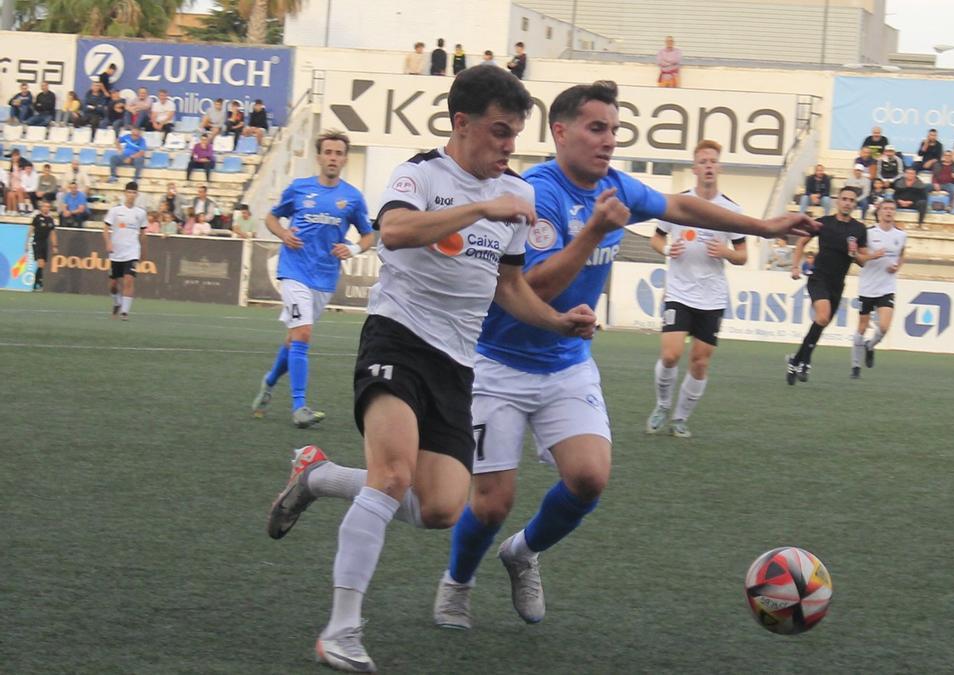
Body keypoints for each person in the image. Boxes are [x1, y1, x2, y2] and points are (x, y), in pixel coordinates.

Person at [262, 80, 812, 641]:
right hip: (488, 361)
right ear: (562, 131)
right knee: (479, 499)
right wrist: (587, 234)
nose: (609, 141)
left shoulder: (594, 188)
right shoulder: (527, 193)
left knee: (580, 479)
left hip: (557, 361)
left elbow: (675, 206)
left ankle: (521, 554)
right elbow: (529, 283)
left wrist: (765, 227)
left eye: (614, 130)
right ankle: (437, 588)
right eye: (597, 128)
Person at [269, 67, 599, 672]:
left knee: (441, 508)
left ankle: (315, 477)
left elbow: (508, 286)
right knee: (391, 477)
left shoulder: (517, 195)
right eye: (499, 132)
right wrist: (479, 209)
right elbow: (392, 232)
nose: (507, 146)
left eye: (514, 136)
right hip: (395, 340)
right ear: (461, 123)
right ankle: (340, 630)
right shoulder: (419, 173)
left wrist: (555, 320)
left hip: (456, 366)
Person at [251, 129, 375, 430]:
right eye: (328, 152)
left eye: (339, 153)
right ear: (319, 157)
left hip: (324, 277)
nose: (333, 158)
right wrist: (283, 234)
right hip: (294, 271)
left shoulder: (352, 197)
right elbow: (271, 217)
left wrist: (354, 248)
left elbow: (369, 234)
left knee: (295, 337)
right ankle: (299, 406)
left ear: (345, 159)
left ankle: (268, 383)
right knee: (303, 334)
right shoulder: (299, 188)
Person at [646, 139, 748, 438]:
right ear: (694, 168)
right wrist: (667, 251)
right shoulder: (677, 203)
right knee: (670, 355)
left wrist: (726, 252)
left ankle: (680, 417)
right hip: (679, 292)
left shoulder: (731, 209)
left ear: (719, 167)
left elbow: (743, 256)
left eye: (712, 161)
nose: (708, 166)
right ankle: (663, 405)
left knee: (700, 363)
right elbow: (656, 239)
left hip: (712, 296)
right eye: (702, 161)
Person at [787, 187, 882, 384]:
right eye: (844, 199)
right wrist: (795, 266)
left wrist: (856, 254)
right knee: (822, 317)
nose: (847, 202)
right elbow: (800, 243)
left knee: (821, 324)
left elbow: (862, 261)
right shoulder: (823, 223)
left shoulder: (858, 229)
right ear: (837, 201)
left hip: (838, 284)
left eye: (851, 200)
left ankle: (797, 360)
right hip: (818, 278)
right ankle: (804, 362)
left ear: (855, 204)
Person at [850, 199, 906, 379]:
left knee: (884, 326)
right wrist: (874, 255)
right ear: (879, 212)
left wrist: (897, 266)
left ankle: (870, 346)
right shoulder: (868, 233)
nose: (889, 212)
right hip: (867, 286)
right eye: (886, 209)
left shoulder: (901, 235)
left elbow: (903, 253)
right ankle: (855, 366)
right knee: (862, 326)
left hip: (887, 286)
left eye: (892, 209)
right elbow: (859, 256)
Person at [102, 182, 148, 321]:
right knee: (113, 284)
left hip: (132, 252)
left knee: (129, 280)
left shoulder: (141, 213)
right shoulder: (115, 210)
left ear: (137, 195)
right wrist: (108, 242)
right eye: (129, 192)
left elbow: (143, 232)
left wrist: (143, 250)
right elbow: (105, 228)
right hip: (116, 252)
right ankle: (117, 302)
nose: (131, 195)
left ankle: (125, 312)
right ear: (125, 193)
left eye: (134, 193)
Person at [26, 198, 57, 291]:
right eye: (44, 206)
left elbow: (53, 233)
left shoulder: (50, 220)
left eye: (48, 207)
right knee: (40, 263)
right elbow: (30, 230)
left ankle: (37, 283)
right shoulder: (37, 218)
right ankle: (37, 283)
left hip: (44, 243)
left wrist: (55, 246)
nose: (46, 208)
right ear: (41, 207)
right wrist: (27, 243)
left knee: (42, 265)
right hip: (37, 242)